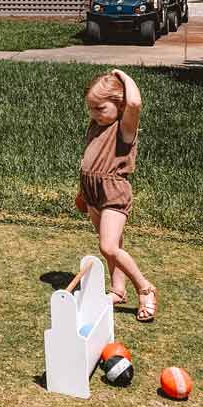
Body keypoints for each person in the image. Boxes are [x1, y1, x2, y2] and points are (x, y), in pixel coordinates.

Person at [77, 68, 157, 322]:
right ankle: (118, 290)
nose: (94, 114)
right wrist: (82, 192)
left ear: (119, 106)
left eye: (100, 108)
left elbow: (135, 101)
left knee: (108, 246)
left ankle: (145, 289)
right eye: (91, 108)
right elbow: (89, 159)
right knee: (111, 248)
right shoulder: (96, 125)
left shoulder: (125, 129)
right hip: (93, 193)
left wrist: (121, 75)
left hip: (114, 193)